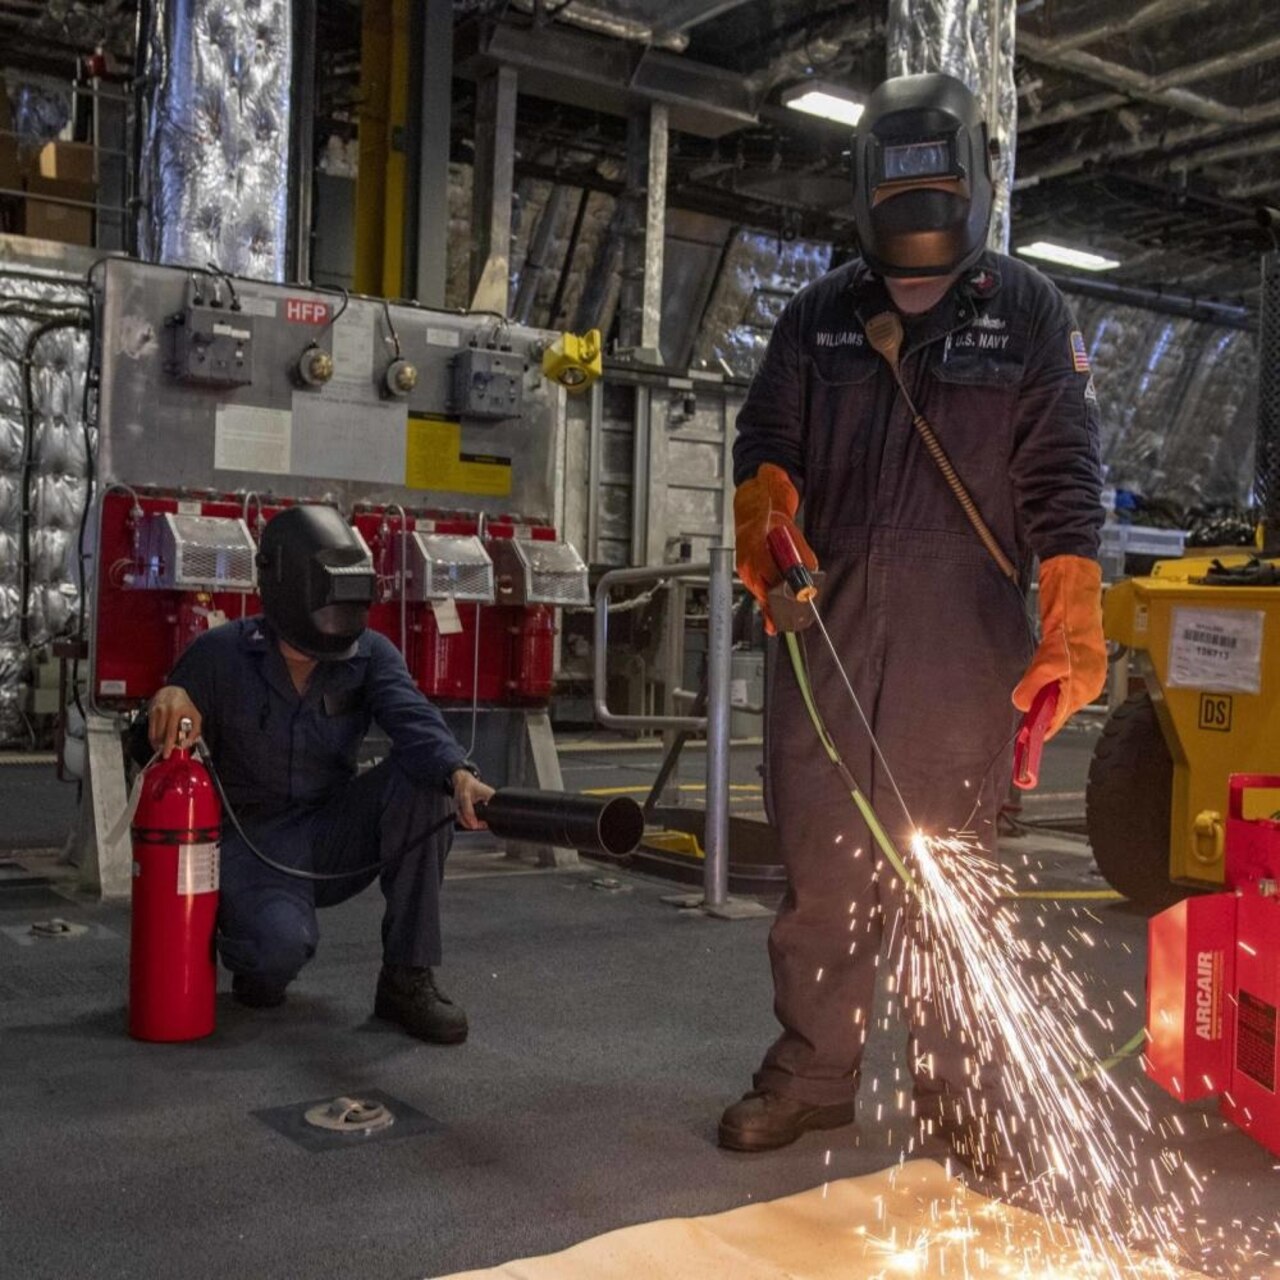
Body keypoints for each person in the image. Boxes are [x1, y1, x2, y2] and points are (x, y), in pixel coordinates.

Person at [719, 73, 1107, 1172]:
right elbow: (766, 445)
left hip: (961, 633)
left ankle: (957, 1087)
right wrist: (769, 529)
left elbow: (1063, 479)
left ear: (971, 179)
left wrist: (1068, 620)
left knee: (950, 875)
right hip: (825, 627)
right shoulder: (817, 315)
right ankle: (815, 1070)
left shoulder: (1025, 310)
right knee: (824, 864)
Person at [145, 504, 494, 1043]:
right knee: (273, 956)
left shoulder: (371, 653)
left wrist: (458, 773)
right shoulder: (218, 655)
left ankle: (406, 976)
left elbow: (413, 718)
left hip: (332, 831)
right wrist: (168, 701)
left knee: (425, 781)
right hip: (253, 843)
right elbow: (151, 753)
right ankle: (246, 941)